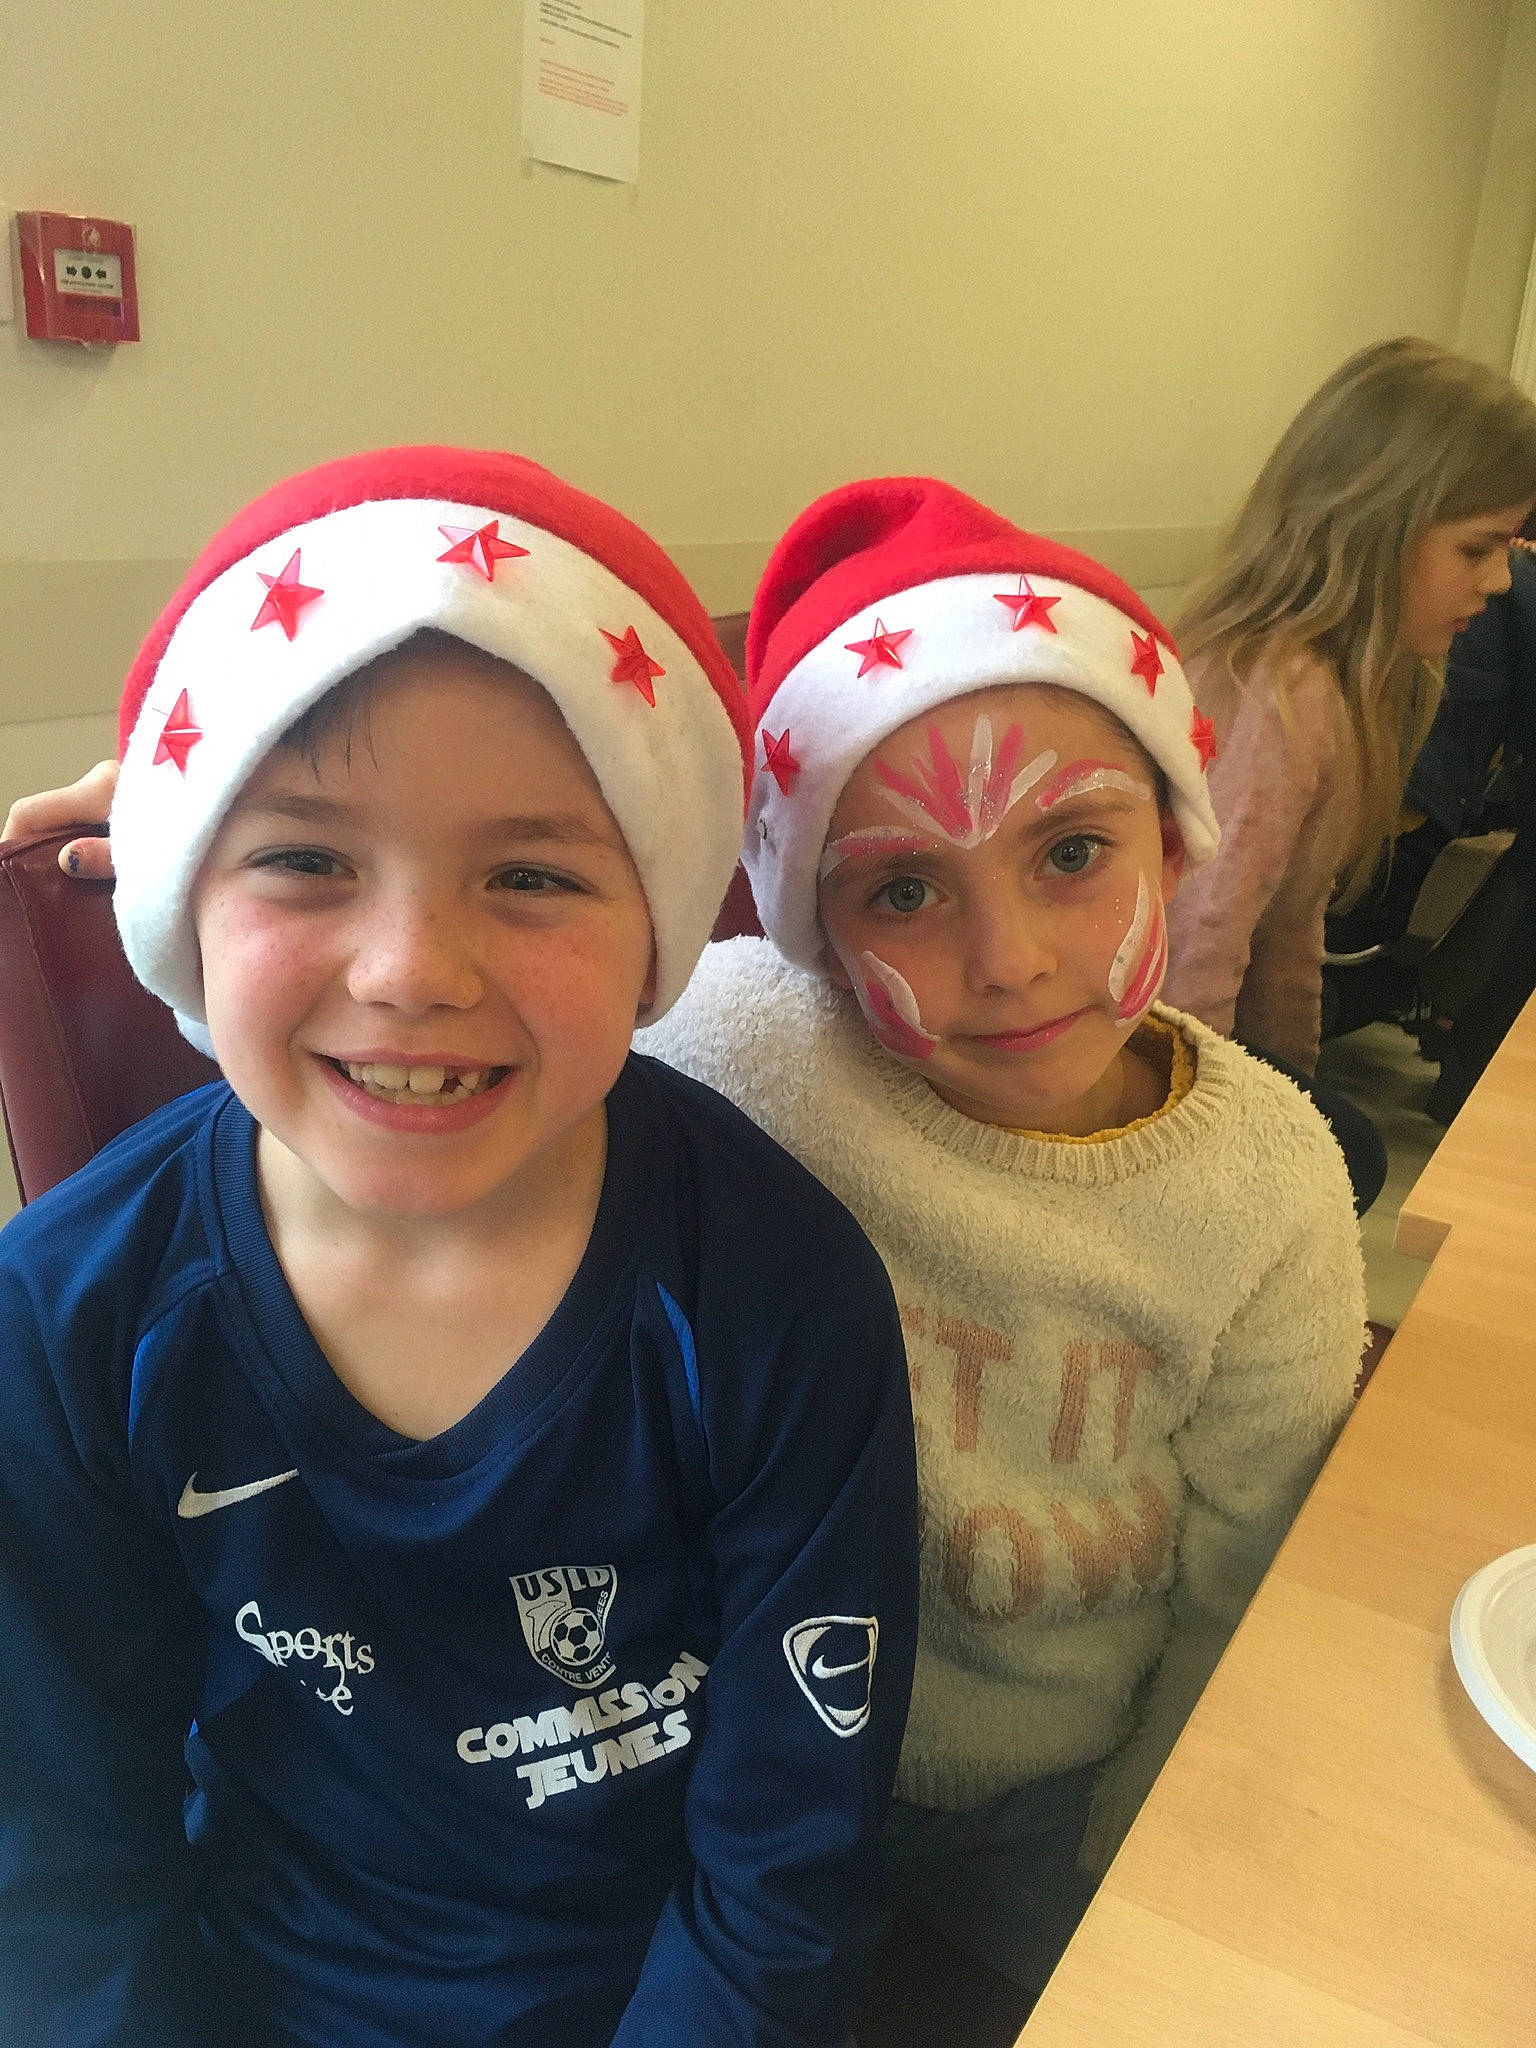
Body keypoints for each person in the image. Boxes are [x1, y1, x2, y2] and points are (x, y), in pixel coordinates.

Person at [0, 447, 919, 2048]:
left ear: (660, 924)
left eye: (532, 875)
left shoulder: (779, 1290)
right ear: (179, 906)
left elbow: (785, 1866)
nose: (412, 968)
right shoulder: (70, 1313)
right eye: (304, 859)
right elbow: (63, 1858)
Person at [637, 475, 1366, 2036]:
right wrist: (254, 853)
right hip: (736, 1770)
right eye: (902, 889)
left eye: (1071, 856)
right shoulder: (751, 1048)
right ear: (810, 934)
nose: (1010, 960)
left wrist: (1148, 1874)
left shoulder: (1271, 1183)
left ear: (1180, 841)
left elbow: (1248, 1600)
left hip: (1057, 1803)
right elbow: (478, 1031)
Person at [1162, 337, 1536, 1202]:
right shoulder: (1280, 692)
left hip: (1194, 1034)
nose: (1501, 584)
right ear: (1375, 524)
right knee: (1344, 1159)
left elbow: (1291, 933)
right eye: (1478, 549)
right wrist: (1191, 1150)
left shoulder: (1340, 686)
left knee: (1339, 1143)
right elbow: (1199, 944)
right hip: (1150, 1040)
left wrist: (1291, 1084)